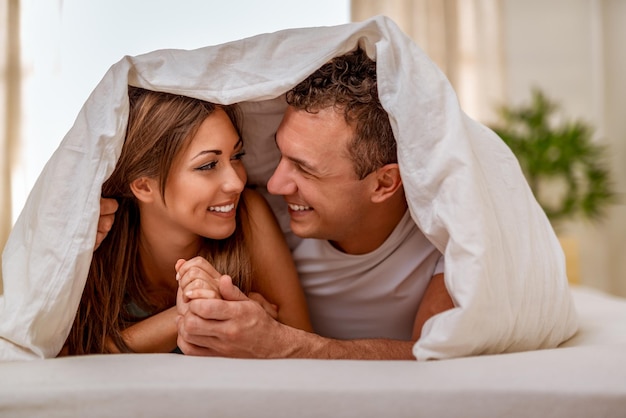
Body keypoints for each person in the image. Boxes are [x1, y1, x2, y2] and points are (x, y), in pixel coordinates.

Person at [173, 48, 454, 360]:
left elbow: (435, 357)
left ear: (384, 183)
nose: (275, 185)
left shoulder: (445, 235)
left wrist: (286, 345)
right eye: (280, 155)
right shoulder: (269, 218)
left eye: (305, 169)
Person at [65, 86, 311, 355]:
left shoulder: (249, 214)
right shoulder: (98, 236)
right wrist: (193, 314)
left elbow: (300, 343)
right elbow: (68, 355)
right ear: (144, 187)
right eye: (207, 166)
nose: (237, 182)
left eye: (236, 157)